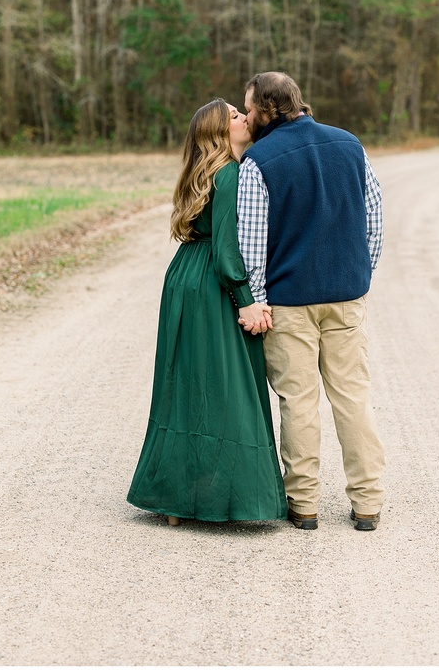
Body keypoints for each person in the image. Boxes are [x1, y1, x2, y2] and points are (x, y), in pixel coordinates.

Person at [237, 71, 386, 531]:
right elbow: (374, 223)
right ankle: (367, 502)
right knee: (353, 397)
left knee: (297, 401)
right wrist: (358, 277)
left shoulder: (258, 161)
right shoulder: (350, 145)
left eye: (249, 108)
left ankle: (303, 503)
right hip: (346, 296)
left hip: (287, 303)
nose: (246, 117)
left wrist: (257, 298)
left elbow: (251, 245)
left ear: (266, 110)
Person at [127, 98, 287, 526]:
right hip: (213, 286)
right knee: (226, 385)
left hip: (183, 277)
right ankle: (226, 500)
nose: (244, 118)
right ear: (220, 132)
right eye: (235, 115)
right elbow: (226, 250)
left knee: (186, 385)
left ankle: (176, 499)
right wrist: (247, 300)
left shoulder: (202, 174)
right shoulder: (230, 173)